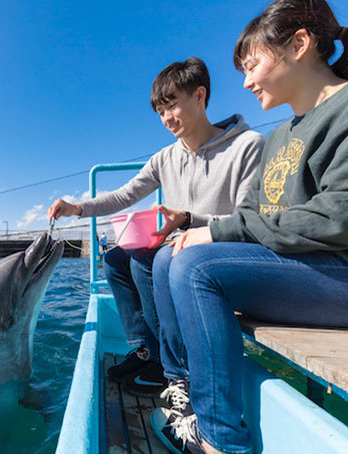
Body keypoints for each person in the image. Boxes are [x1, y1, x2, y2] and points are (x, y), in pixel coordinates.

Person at [148, 1, 348, 453]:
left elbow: (340, 218)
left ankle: (220, 441)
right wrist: (200, 232)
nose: (245, 82)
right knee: (172, 254)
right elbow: (251, 210)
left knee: (197, 269)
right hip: (306, 268)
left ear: (300, 45)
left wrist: (217, 234)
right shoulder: (281, 135)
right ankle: (185, 388)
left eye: (253, 65)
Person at [47, 57, 264, 396]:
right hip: (178, 247)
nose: (166, 119)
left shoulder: (246, 146)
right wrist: (77, 208)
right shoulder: (165, 157)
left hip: (220, 250)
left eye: (172, 106)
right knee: (116, 258)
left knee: (144, 260)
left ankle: (169, 363)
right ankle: (148, 348)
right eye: (160, 112)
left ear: (200, 96)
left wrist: (192, 221)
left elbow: (251, 221)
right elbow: (125, 194)